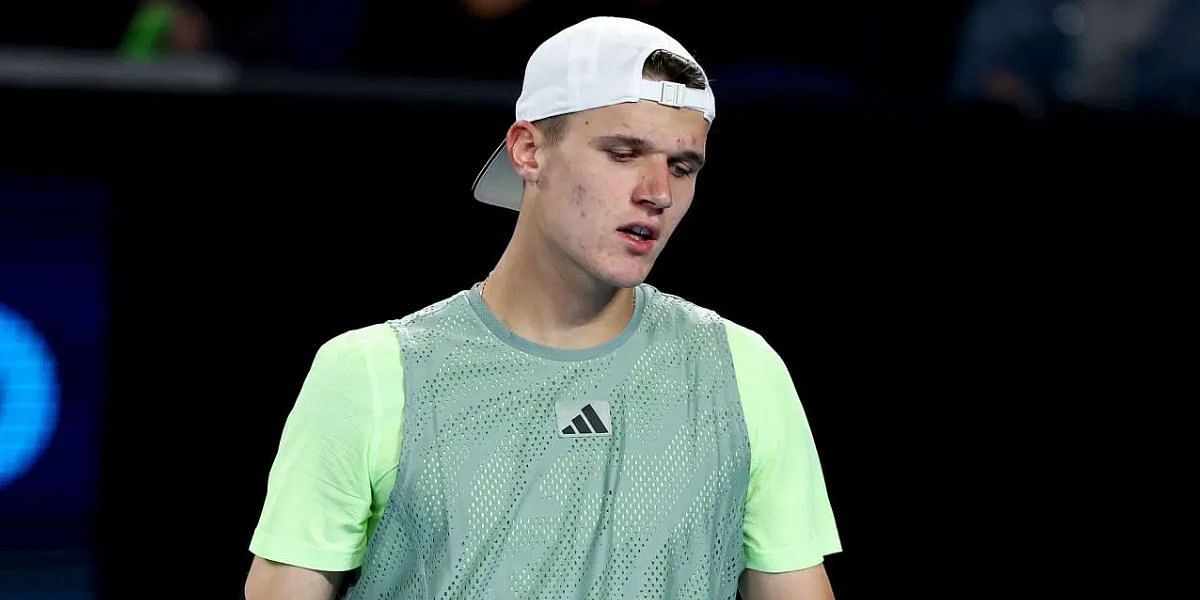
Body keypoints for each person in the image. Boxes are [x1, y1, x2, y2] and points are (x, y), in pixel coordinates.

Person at [243, 16, 842, 600]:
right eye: (623, 151)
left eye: (682, 166)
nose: (658, 192)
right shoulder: (369, 373)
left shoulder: (742, 370)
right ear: (529, 151)